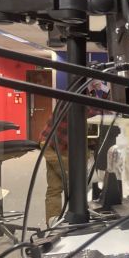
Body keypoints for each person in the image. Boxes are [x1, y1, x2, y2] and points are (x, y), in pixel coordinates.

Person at [40, 79, 110, 223]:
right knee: (74, 183)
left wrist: (98, 91)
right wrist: (104, 90)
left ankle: (55, 221)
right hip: (52, 146)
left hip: (60, 145)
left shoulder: (80, 96)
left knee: (57, 186)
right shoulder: (74, 99)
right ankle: (61, 221)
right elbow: (102, 112)